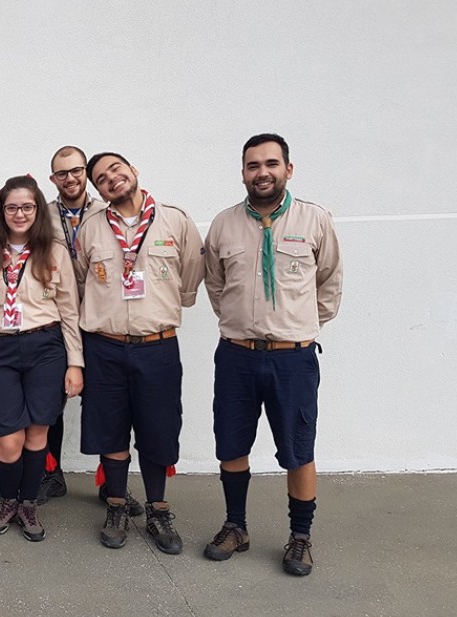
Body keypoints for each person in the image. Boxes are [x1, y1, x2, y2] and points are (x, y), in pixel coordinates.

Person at [202, 133, 342, 576]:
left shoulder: (315, 220)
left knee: (299, 449)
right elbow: (216, 284)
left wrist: (296, 328)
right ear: (243, 173)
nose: (262, 172)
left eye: (270, 164)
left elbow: (329, 283)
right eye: (252, 165)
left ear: (288, 169)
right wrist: (243, 324)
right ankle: (235, 526)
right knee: (231, 443)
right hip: (237, 357)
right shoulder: (224, 224)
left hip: (293, 360)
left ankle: (300, 538)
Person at [77, 152, 205, 552]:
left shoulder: (175, 221)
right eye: (101, 178)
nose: (111, 179)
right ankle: (116, 505)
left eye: (116, 170)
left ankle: (158, 509)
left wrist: (163, 310)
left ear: (133, 171)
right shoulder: (90, 229)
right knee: (111, 429)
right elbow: (81, 281)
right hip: (105, 346)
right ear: (96, 189)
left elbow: (191, 276)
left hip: (157, 347)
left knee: (157, 429)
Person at [0, 175, 84, 542]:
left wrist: (75, 362)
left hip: (45, 347)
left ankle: (27, 503)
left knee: (37, 432)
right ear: (1, 211)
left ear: (37, 210)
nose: (19, 213)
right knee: (8, 439)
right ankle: (8, 499)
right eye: (11, 207)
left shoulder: (54, 251)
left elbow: (69, 311)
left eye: (27, 206)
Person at [41, 145, 144, 516]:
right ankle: (50, 473)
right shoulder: (43, 216)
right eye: (61, 173)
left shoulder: (107, 210)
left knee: (107, 404)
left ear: (86, 173)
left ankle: (109, 482)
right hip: (57, 318)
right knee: (50, 401)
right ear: (52, 179)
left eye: (76, 171)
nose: (70, 178)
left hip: (102, 318)